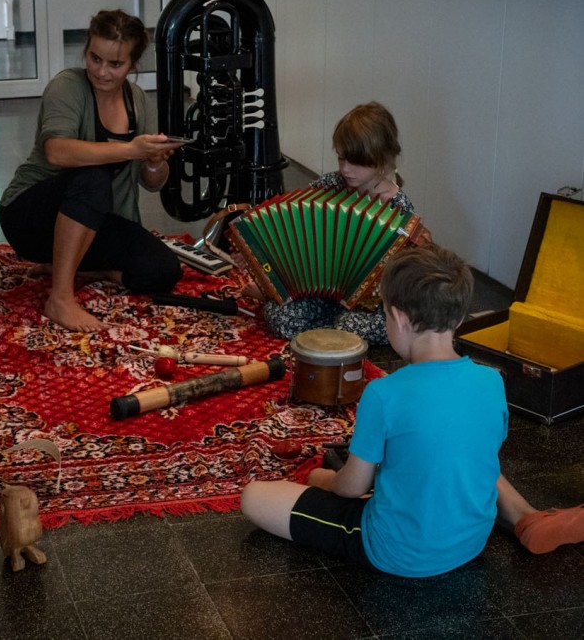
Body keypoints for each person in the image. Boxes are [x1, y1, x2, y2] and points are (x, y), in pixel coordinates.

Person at [241, 244, 584, 577]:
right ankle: (525, 517)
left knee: (254, 498)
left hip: (398, 552)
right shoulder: (492, 380)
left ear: (399, 318)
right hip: (471, 542)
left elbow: (352, 488)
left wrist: (323, 479)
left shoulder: (383, 393)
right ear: (460, 316)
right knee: (459, 454)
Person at [0, 9, 184, 333]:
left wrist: (154, 161)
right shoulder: (67, 86)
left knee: (163, 270)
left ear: (132, 64)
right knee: (93, 178)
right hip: (28, 216)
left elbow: (152, 183)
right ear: (86, 50)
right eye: (94, 58)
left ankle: (73, 268)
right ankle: (60, 298)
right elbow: (56, 152)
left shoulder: (138, 101)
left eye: (115, 64)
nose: (101, 71)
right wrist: (131, 149)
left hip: (93, 219)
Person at [262, 101, 423, 345]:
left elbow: (398, 279)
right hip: (325, 292)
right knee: (283, 319)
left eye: (356, 162)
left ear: (382, 158)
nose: (346, 169)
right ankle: (329, 324)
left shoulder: (399, 208)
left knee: (354, 326)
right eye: (341, 158)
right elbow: (291, 226)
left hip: (373, 305)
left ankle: (331, 326)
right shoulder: (330, 185)